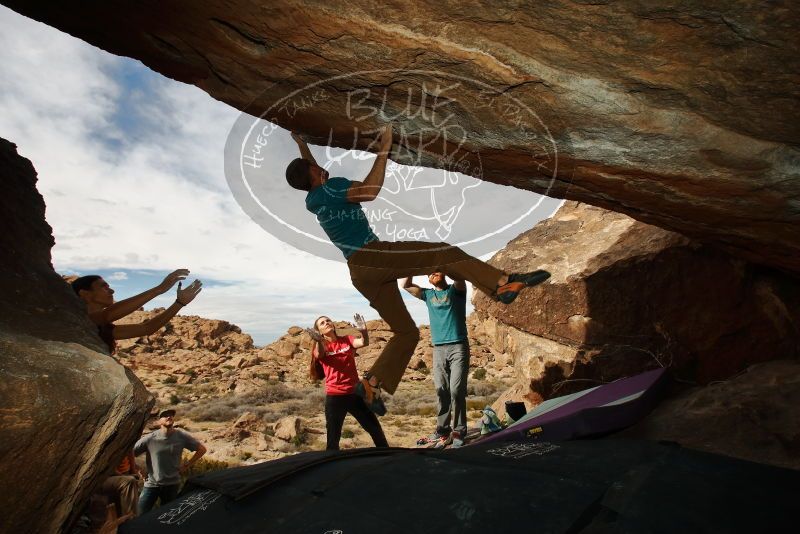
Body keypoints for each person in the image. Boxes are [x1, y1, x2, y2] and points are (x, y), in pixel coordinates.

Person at [287, 126, 550, 411]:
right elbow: (370, 191)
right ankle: (501, 283)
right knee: (441, 253)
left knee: (406, 333)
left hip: (360, 273)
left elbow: (307, 170)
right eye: (315, 166)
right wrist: (384, 147)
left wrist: (302, 142)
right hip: (372, 255)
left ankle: (371, 385)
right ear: (313, 173)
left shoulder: (312, 201)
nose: (320, 167)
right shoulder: (331, 186)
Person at [402, 273, 469, 448]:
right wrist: (414, 266)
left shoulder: (456, 290)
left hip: (458, 346)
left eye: (437, 270)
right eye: (430, 273)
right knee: (442, 390)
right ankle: (442, 429)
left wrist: (445, 263)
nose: (433, 274)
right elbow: (406, 285)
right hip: (438, 349)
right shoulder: (428, 295)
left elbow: (460, 278)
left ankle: (459, 430)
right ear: (428, 279)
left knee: (456, 390)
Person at [306, 314, 389, 450]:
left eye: (328, 320)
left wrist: (362, 330)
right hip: (335, 397)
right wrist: (319, 341)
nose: (326, 323)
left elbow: (363, 342)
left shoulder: (346, 340)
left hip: (355, 394)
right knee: (333, 438)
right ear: (319, 331)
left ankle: (388, 456)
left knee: (375, 429)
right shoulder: (321, 347)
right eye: (322, 323)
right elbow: (320, 354)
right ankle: (332, 467)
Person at [70, 269, 203, 353]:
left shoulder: (103, 327)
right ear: (85, 293)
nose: (111, 291)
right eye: (104, 287)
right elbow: (108, 315)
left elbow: (146, 328)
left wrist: (179, 303)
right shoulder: (76, 319)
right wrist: (159, 289)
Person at [133, 409, 206, 515]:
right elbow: (128, 453)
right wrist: (138, 469)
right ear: (158, 421)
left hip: (172, 485)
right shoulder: (150, 439)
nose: (169, 417)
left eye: (171, 415)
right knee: (139, 515)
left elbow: (202, 449)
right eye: (165, 415)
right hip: (152, 484)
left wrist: (187, 464)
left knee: (168, 517)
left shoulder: (181, 436)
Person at [98, 450, 143, 520]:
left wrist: (134, 471)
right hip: (109, 475)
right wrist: (123, 476)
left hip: (126, 472)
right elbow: (107, 466)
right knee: (129, 481)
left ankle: (125, 521)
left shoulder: (125, 442)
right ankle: (131, 520)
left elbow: (130, 451)